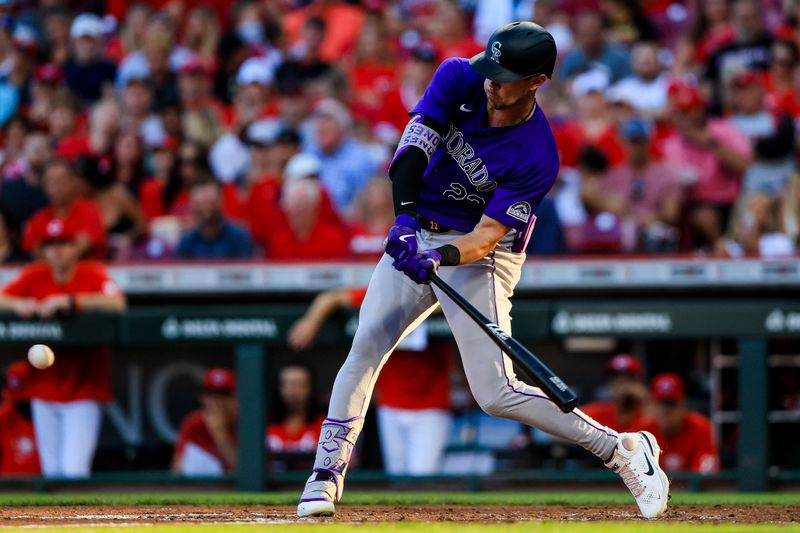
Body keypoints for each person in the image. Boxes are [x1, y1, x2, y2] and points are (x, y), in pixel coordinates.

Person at [296, 22, 669, 520]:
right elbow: (410, 153)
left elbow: (487, 236)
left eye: (506, 77)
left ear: (537, 81)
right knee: (364, 348)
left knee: (496, 394)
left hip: (481, 255)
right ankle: (326, 473)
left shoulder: (538, 153)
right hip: (419, 230)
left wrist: (438, 257)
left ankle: (620, 449)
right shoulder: (461, 76)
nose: (492, 83)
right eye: (491, 70)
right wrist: (405, 223)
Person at [0, 220, 126, 478]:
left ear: (75, 247)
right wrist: (18, 305)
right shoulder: (35, 275)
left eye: (63, 245)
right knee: (52, 471)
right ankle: (57, 520)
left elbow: (117, 303)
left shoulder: (92, 272)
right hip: (43, 387)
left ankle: (76, 519)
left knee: (74, 470)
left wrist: (69, 301)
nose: (56, 252)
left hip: (84, 388)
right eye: (50, 245)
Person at [288, 286, 453, 477]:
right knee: (397, 475)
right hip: (391, 404)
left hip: (431, 407)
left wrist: (409, 306)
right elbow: (330, 297)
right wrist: (311, 322)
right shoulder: (388, 290)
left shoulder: (437, 292)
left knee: (422, 475)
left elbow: (451, 302)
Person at [22, 159, 107, 260]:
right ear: (45, 187)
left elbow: (84, 246)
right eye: (51, 181)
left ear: (73, 182)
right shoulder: (38, 219)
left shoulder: (90, 211)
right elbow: (34, 250)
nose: (57, 186)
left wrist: (52, 255)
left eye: (61, 180)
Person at [641, 373, 719, 474]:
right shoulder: (641, 432)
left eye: (671, 404)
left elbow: (705, 476)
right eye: (660, 404)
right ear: (651, 406)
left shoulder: (700, 428)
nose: (666, 411)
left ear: (683, 405)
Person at [173, 368, 238, 477]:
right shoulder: (194, 423)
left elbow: (248, 475)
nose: (216, 400)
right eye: (210, 393)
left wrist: (220, 436)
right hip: (201, 490)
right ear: (202, 396)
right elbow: (177, 471)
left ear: (234, 397)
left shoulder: (246, 422)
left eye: (223, 394)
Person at [176, 177, 254, 260]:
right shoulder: (186, 242)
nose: (206, 210)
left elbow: (245, 270)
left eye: (211, 203)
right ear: (193, 205)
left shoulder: (239, 238)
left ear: (221, 201)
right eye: (201, 204)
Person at [267, 364, 326, 460]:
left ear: (311, 388)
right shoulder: (264, 427)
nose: (294, 392)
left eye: (301, 385)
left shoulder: (325, 426)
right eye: (288, 385)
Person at [582, 354, 650, 434]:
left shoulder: (650, 412)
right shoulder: (598, 411)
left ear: (639, 383)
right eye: (616, 379)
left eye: (628, 379)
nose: (621, 385)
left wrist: (646, 400)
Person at [0, 361, 41, 476]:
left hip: (43, 489)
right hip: (8, 488)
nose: (22, 405)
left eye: (26, 401)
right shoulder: (5, 417)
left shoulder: (51, 420)